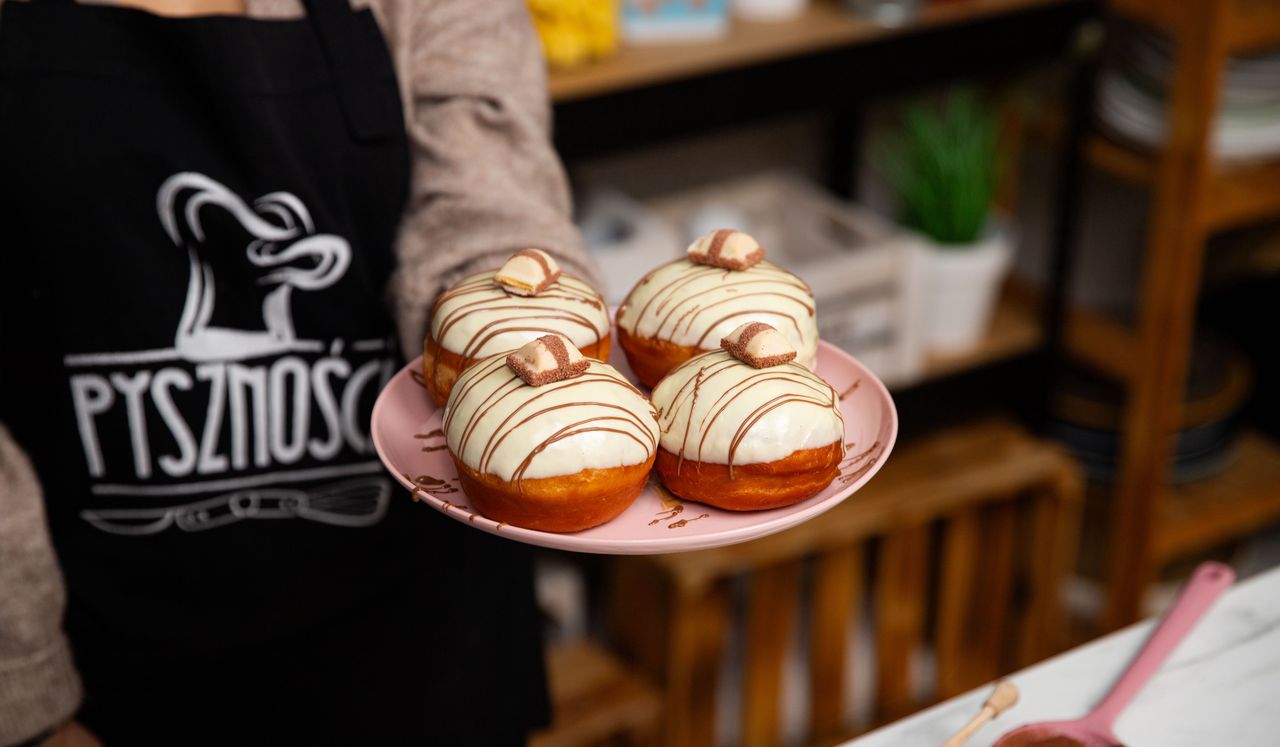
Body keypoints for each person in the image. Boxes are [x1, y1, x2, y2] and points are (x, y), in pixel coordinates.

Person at [0, 0, 594, 744]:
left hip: (420, 631)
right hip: (107, 658)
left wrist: (525, 338)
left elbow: (488, 199)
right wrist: (25, 698)